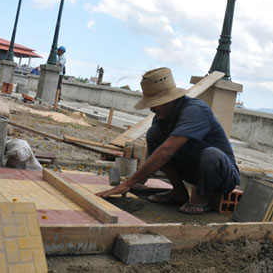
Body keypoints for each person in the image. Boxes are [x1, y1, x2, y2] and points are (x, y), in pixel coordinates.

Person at [96, 67, 240, 214]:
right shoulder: (161, 119)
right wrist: (139, 179)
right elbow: (157, 152)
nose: (152, 109)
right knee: (153, 134)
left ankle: (202, 199)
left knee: (211, 154)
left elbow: (167, 150)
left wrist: (128, 183)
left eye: (155, 103)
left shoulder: (195, 110)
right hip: (194, 170)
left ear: (170, 100)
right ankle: (178, 192)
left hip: (221, 174)